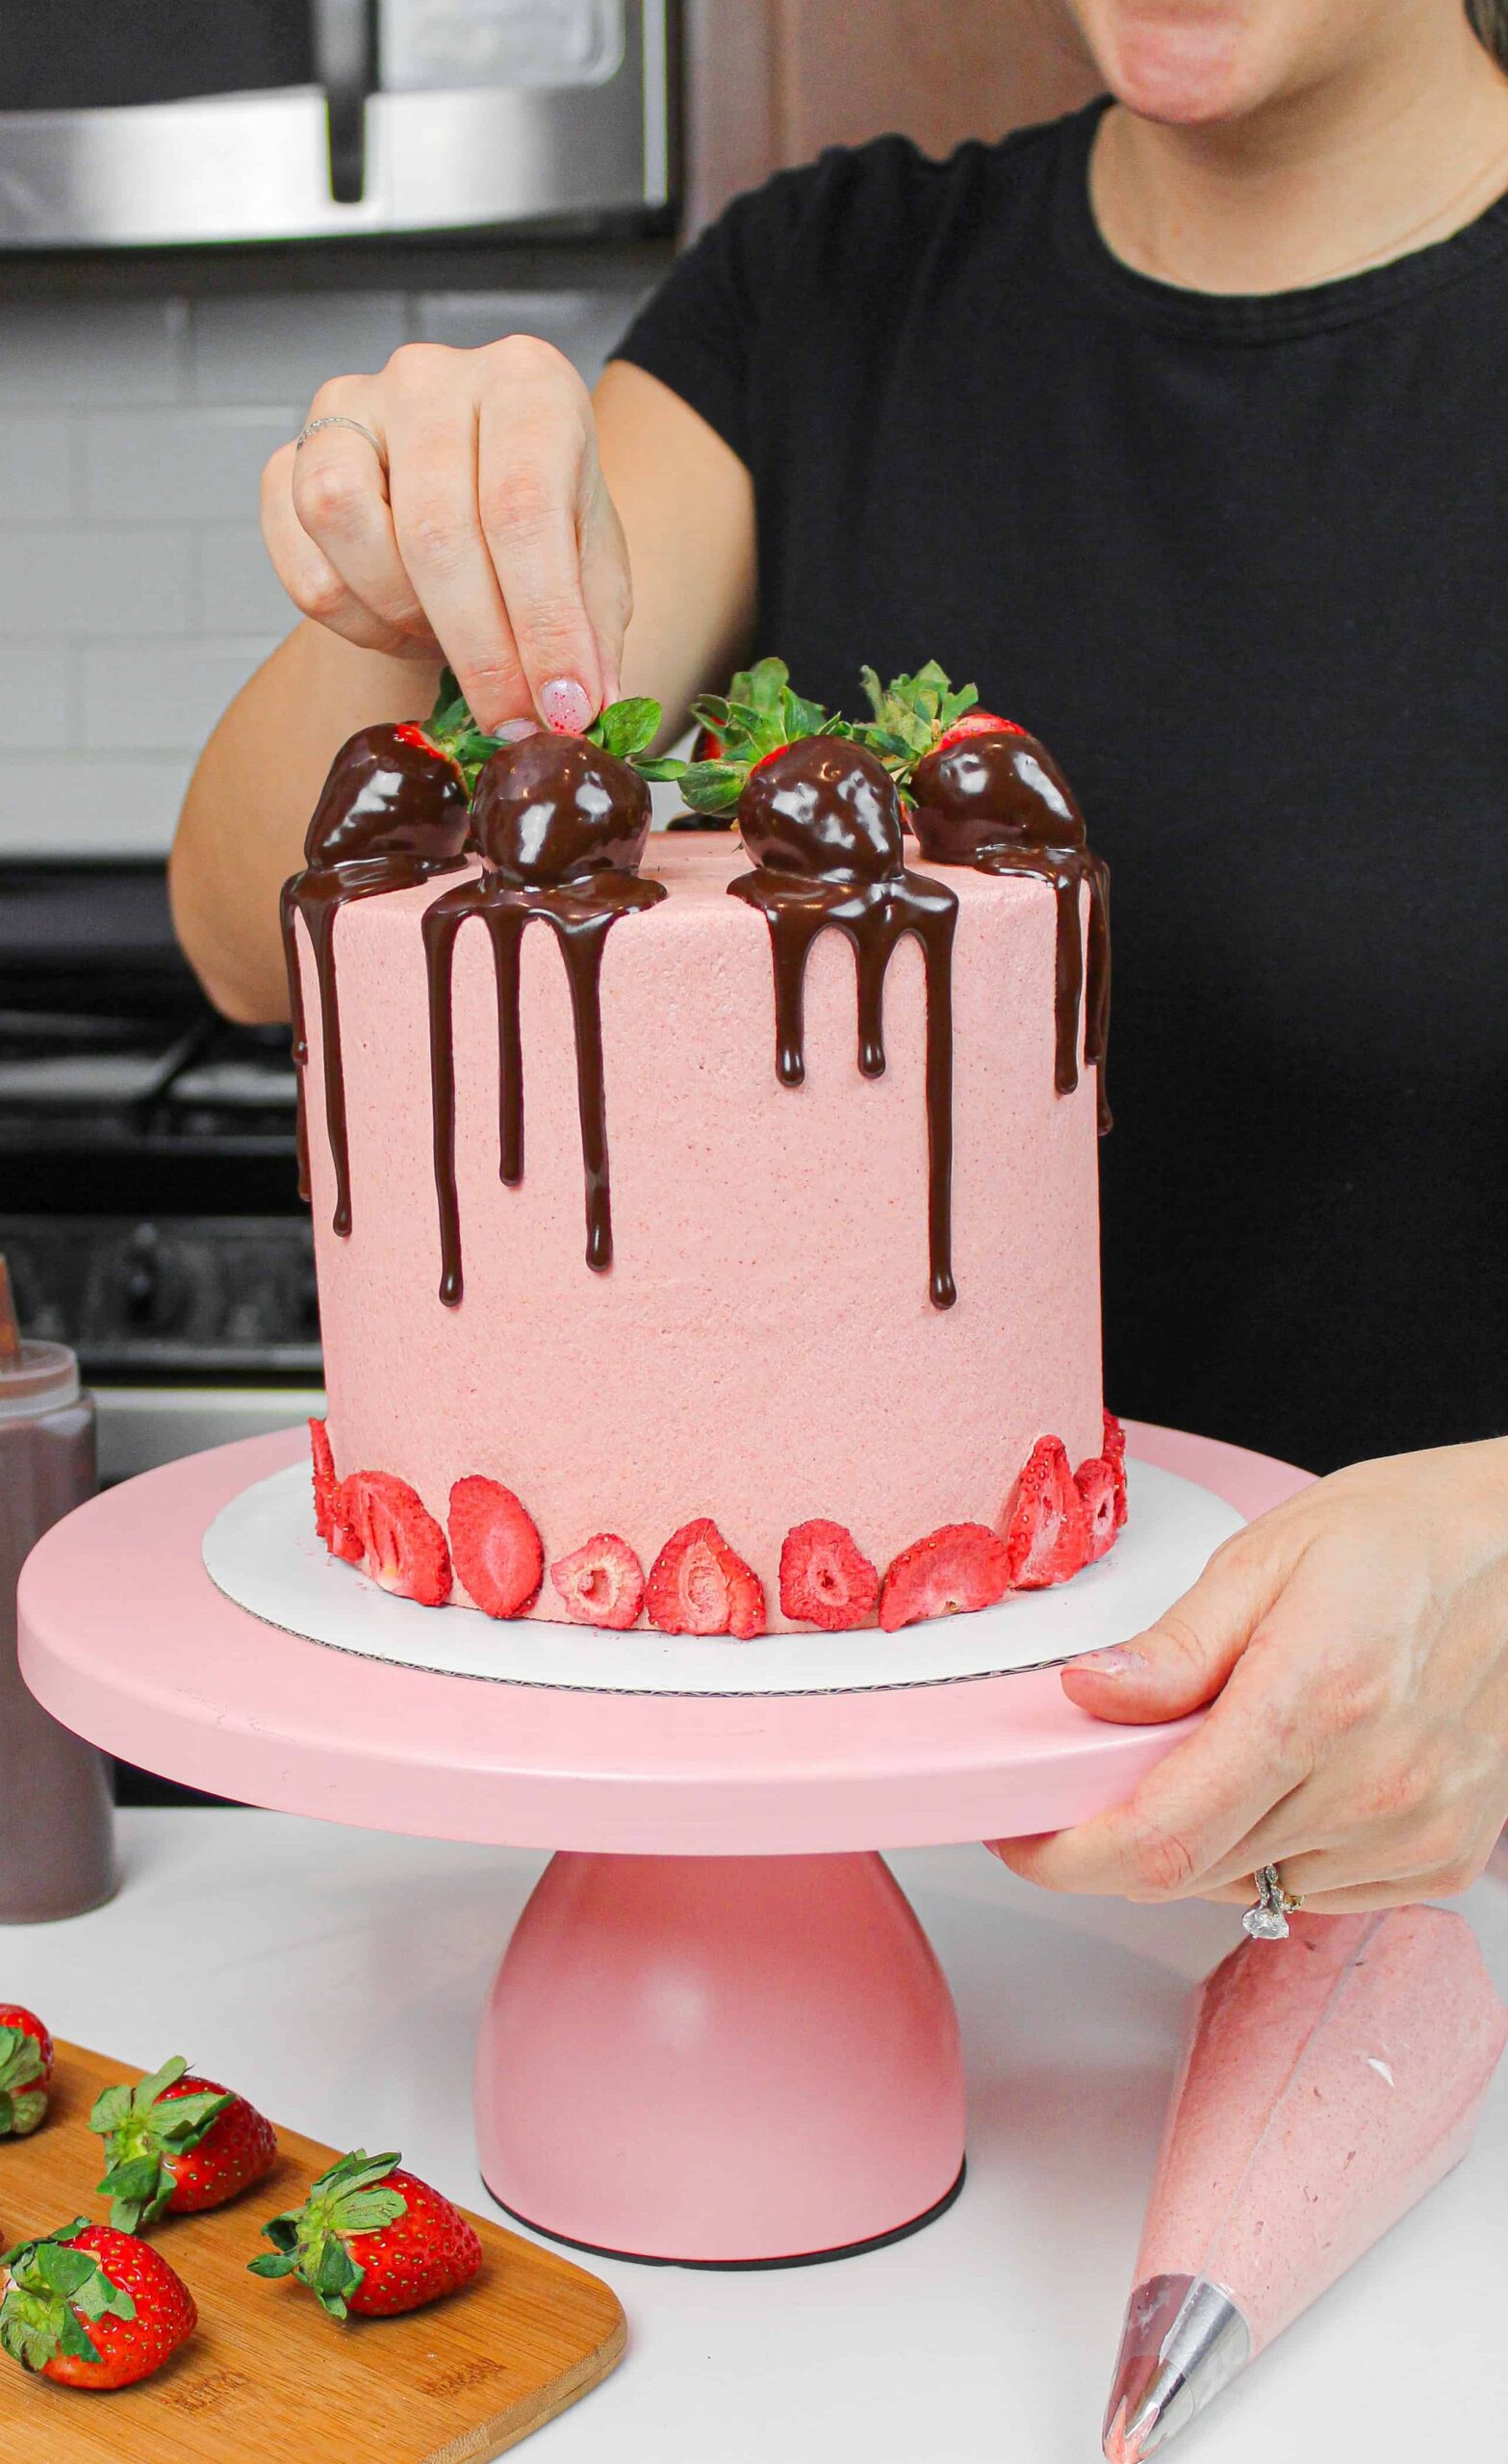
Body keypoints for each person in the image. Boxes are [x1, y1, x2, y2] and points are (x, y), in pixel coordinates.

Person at [172, 0, 1508, 1922]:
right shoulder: (828, 296)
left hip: (1440, 1897)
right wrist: (407, 600)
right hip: (848, 1907)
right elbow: (246, 937)